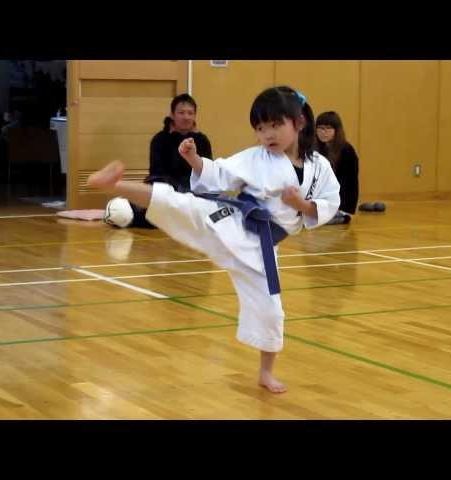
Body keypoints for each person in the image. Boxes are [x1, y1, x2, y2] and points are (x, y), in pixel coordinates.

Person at [87, 86, 340, 393]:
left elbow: (330, 202)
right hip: (229, 223)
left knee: (271, 311)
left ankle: (265, 373)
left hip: (260, 250)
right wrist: (194, 159)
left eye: (275, 125)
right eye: (260, 129)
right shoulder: (256, 158)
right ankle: (115, 185)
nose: (267, 135)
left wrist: (300, 206)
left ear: (299, 122)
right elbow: (219, 174)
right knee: (179, 202)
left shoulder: (320, 168)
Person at [108, 93, 213, 229]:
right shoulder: (160, 139)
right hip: (167, 189)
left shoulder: (202, 140)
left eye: (190, 113)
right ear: (172, 115)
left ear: (195, 116)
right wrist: (172, 192)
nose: (186, 117)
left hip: (191, 193)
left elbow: (207, 174)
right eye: (181, 112)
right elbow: (157, 172)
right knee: (136, 210)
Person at [315, 111, 359, 224]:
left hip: (340, 203)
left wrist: (343, 208)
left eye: (328, 128)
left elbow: (349, 184)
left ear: (337, 130)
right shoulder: (315, 149)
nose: (323, 132)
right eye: (320, 128)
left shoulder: (347, 151)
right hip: (321, 200)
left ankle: (339, 216)